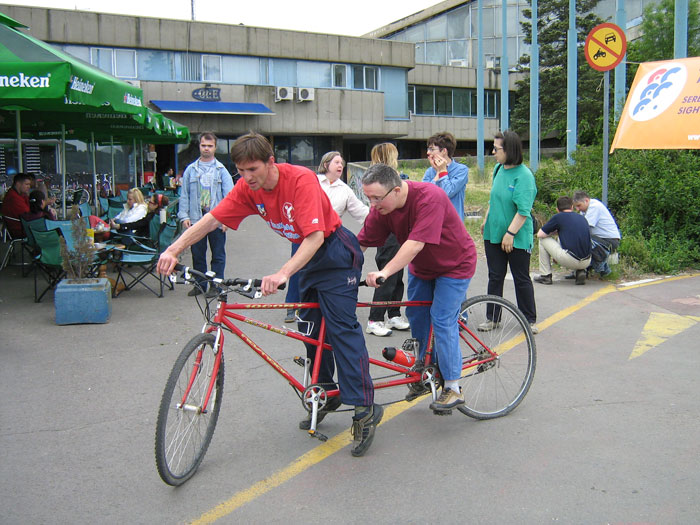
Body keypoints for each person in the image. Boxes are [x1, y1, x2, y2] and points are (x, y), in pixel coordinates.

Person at [158, 132, 381, 457]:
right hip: (306, 258)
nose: (246, 178)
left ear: (270, 162)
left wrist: (282, 273)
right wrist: (174, 248)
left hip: (334, 252)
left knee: (341, 327)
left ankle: (365, 406)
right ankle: (327, 390)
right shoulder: (249, 189)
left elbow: (315, 237)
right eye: (241, 171)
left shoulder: (299, 180)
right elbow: (212, 219)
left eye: (252, 170)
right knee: (310, 331)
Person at [358, 163, 477, 411]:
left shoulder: (429, 197)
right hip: (423, 268)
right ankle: (428, 367)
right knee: (415, 314)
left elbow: (414, 244)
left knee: (442, 319)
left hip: (454, 265)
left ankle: (453, 387)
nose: (372, 204)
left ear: (397, 190)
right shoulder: (382, 209)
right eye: (367, 197)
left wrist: (384, 272)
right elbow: (361, 243)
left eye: (377, 198)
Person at [284, 151, 369, 322]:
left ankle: (318, 306)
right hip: (306, 234)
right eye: (336, 162)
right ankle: (292, 306)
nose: (340, 165)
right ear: (326, 165)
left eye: (342, 163)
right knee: (297, 269)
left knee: (324, 273)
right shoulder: (312, 182)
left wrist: (381, 219)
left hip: (329, 239)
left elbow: (363, 214)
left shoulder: (345, 190)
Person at [480, 130, 539, 334]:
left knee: (520, 277)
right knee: (495, 276)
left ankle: (528, 320)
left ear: (509, 150)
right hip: (494, 233)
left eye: (497, 149)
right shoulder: (498, 169)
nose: (493, 152)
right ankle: (493, 317)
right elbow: (493, 199)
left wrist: (510, 234)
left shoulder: (524, 176)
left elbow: (523, 211)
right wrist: (487, 219)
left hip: (517, 236)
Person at [177, 132, 234, 298]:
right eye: (203, 145)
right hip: (196, 220)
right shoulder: (190, 170)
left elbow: (230, 197)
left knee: (218, 254)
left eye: (210, 146)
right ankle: (199, 284)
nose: (206, 149)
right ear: (199, 146)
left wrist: (227, 220)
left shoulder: (221, 170)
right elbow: (184, 194)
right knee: (197, 254)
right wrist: (184, 216)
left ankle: (216, 286)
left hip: (216, 221)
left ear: (215, 147)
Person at [366, 143, 410, 337]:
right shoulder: (383, 179)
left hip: (397, 229)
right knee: (388, 274)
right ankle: (374, 319)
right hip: (388, 231)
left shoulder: (391, 177)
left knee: (397, 275)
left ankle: (393, 313)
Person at [534, 196, 592, 285]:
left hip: (570, 260)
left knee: (542, 240)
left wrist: (554, 232)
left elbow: (540, 234)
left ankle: (545, 276)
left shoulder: (558, 217)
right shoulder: (582, 218)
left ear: (557, 209)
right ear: (572, 207)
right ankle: (580, 271)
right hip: (587, 261)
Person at [572, 190, 621, 277]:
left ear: (586, 200)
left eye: (579, 205)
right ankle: (582, 270)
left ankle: (602, 267)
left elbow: (585, 227)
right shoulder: (584, 210)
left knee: (582, 239)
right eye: (576, 207)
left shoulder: (594, 207)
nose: (578, 209)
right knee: (579, 239)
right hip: (599, 239)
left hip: (609, 240)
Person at [422, 131, 469, 220]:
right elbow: (426, 196)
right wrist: (437, 174)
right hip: (434, 221)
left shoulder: (461, 170)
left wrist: (443, 171)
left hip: (453, 223)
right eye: (428, 149)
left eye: (432, 149)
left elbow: (448, 192)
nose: (428, 152)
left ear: (444, 151)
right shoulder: (429, 172)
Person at [1, 173, 32, 238]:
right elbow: (28, 215)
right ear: (18, 184)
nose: (29, 187)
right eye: (26, 184)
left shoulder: (15, 194)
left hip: (21, 226)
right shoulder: (13, 198)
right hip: (21, 230)